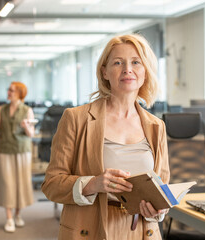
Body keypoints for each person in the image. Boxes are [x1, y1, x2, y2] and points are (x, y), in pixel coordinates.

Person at [41, 34, 170, 240]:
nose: (127, 69)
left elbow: (163, 190)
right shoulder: (76, 118)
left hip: (143, 230)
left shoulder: (157, 126)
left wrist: (159, 211)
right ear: (105, 72)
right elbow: (52, 184)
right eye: (118, 62)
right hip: (91, 226)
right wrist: (94, 183)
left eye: (136, 62)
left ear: (145, 71)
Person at [0, 82, 35, 233]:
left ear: (20, 93)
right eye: (8, 89)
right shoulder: (2, 109)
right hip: (6, 150)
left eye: (12, 90)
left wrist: (26, 126)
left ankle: (18, 214)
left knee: (21, 184)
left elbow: (31, 134)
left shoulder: (27, 110)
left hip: (22, 151)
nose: (8, 92)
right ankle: (9, 218)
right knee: (7, 184)